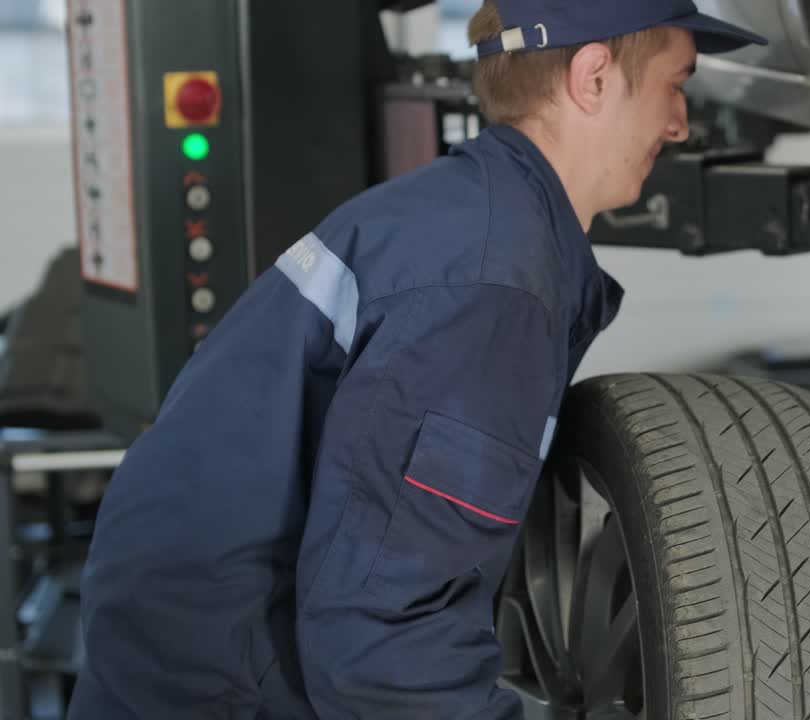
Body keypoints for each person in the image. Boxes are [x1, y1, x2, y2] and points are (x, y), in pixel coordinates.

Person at [68, 1, 765, 718]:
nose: (679, 124)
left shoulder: (466, 216)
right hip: (219, 681)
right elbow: (383, 640)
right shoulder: (492, 283)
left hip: (179, 637)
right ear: (593, 77)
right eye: (674, 84)